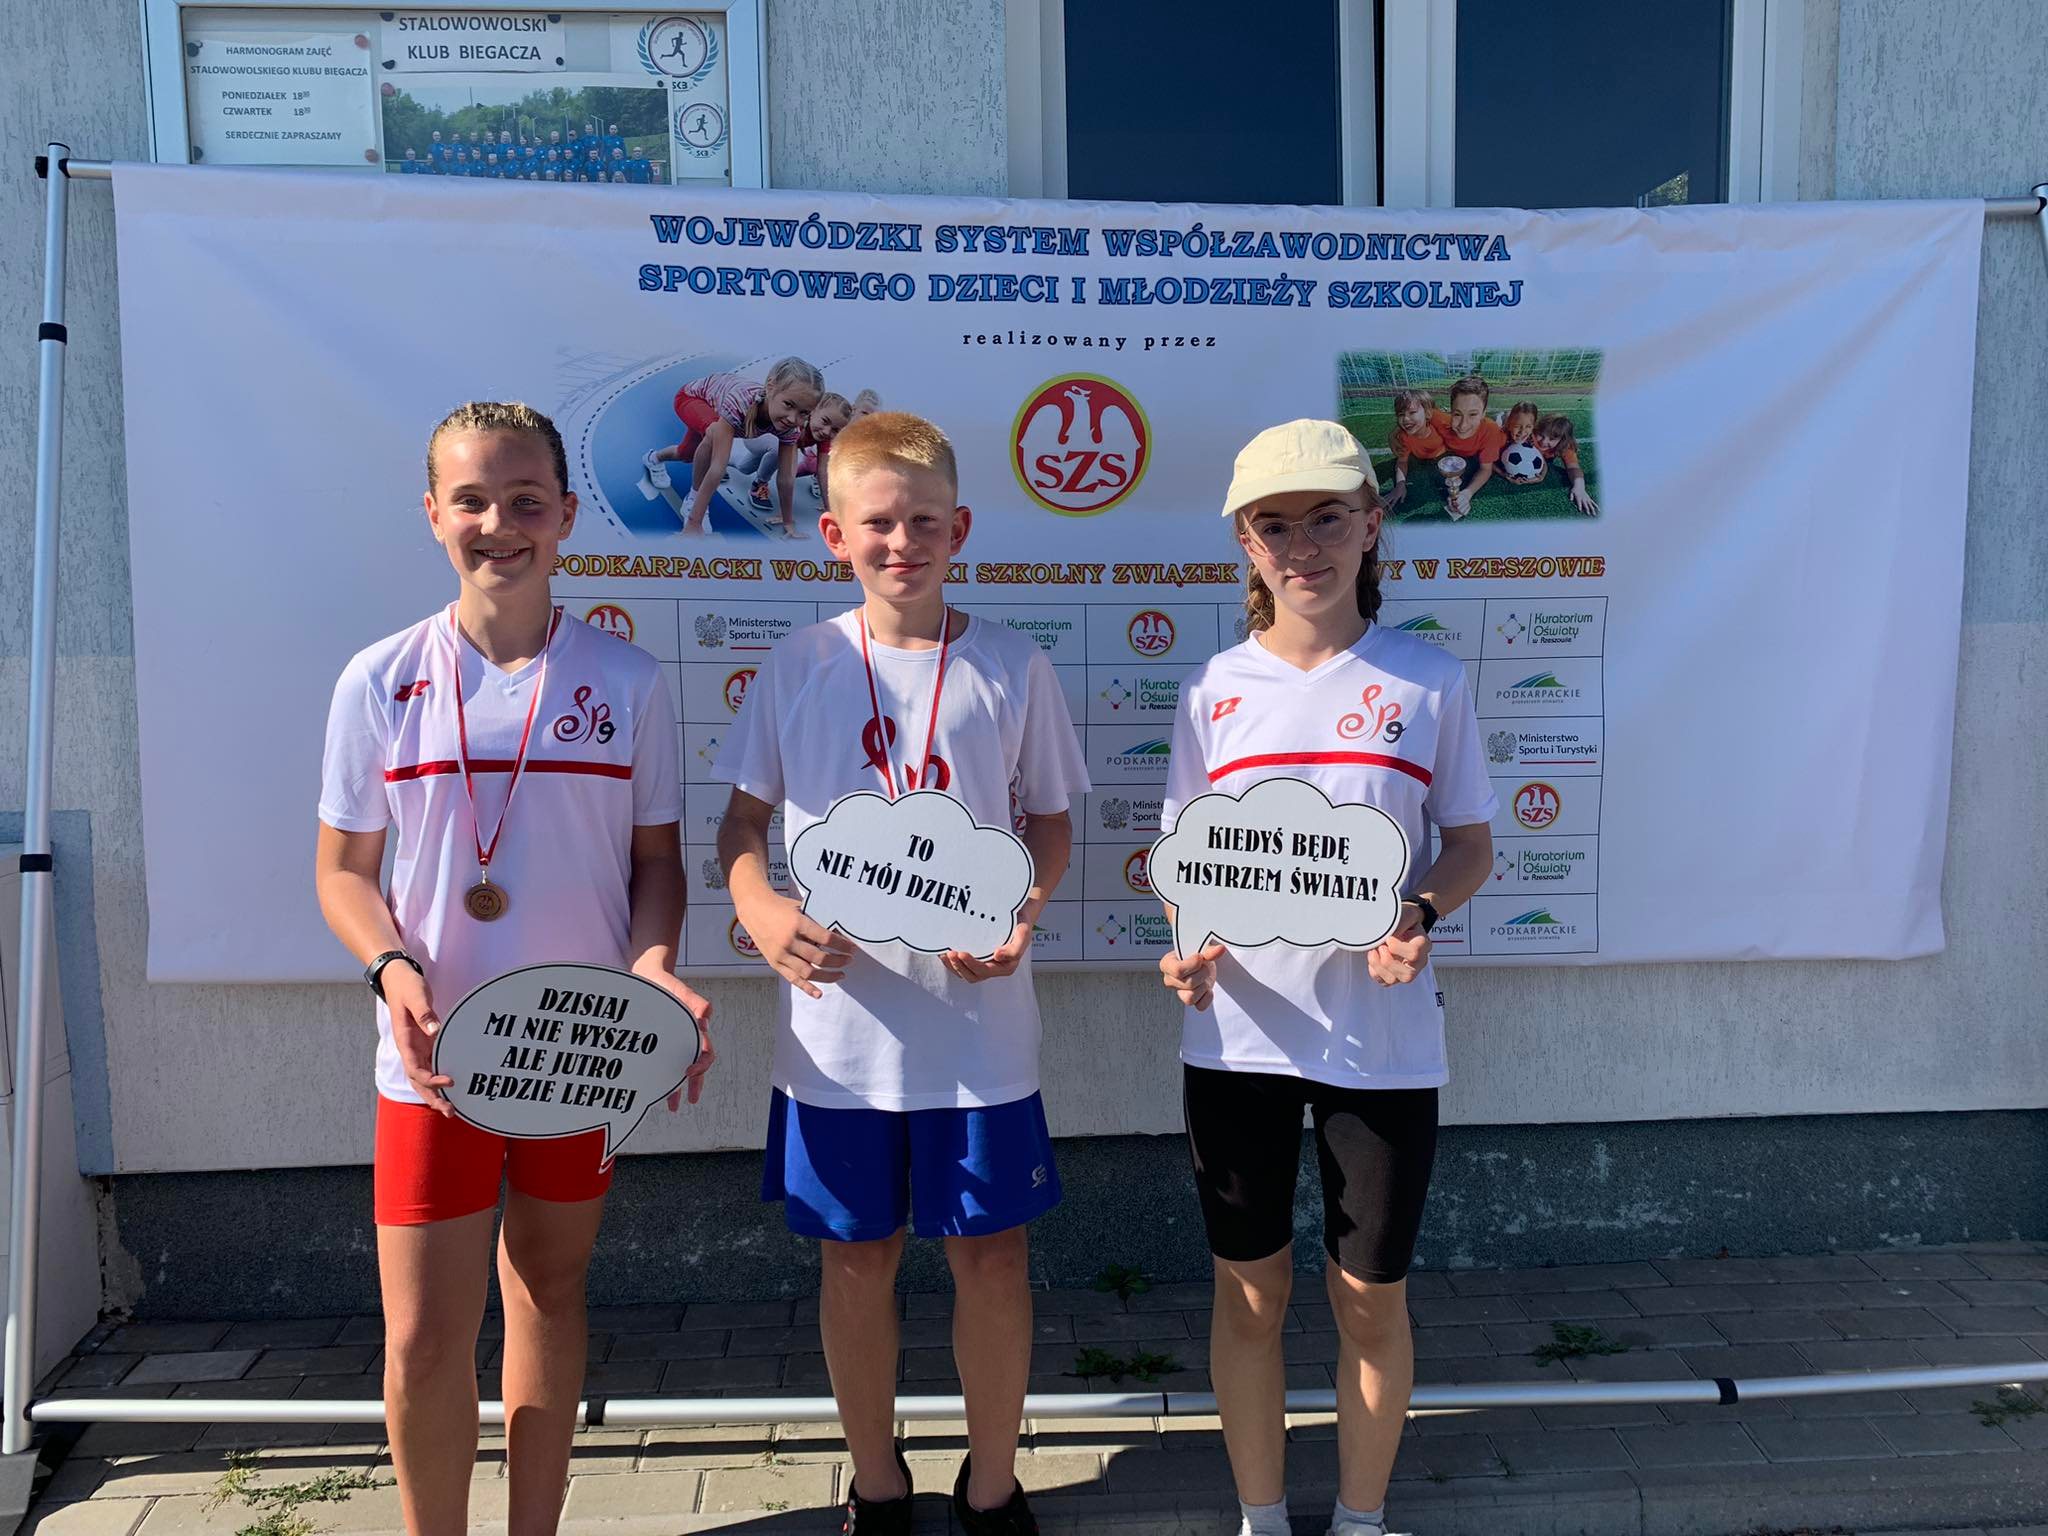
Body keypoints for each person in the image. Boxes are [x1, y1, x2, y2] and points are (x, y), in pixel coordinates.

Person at [314, 401, 715, 1536]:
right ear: (432, 513)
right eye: (473, 501)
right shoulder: (379, 679)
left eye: (525, 500)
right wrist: (392, 967)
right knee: (422, 1337)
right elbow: (342, 873)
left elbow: (656, 865)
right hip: (434, 1065)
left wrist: (653, 968)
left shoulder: (627, 681)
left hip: (575, 1051)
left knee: (548, 1292)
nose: (500, 524)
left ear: (567, 515)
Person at [716, 412, 1090, 1535]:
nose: (901, 542)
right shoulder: (798, 666)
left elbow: (1051, 824)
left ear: (958, 529)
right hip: (838, 1037)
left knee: (993, 1260)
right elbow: (740, 826)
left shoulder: (1011, 665)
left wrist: (1023, 912)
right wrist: (760, 908)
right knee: (855, 1262)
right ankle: (877, 1483)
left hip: (976, 1031)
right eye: (877, 522)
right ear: (834, 533)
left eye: (925, 521)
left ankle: (992, 1485)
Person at [1157, 420, 1495, 1536]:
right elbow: (1187, 858)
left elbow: (1469, 844)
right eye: (1274, 525)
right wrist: (1188, 943)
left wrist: (1418, 913)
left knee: (1368, 1302)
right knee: (1250, 1297)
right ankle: (1261, 1519)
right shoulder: (1213, 690)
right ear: (1245, 545)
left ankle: (1359, 1520)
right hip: (1238, 1044)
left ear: (1371, 524)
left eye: (1326, 518)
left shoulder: (1427, 681)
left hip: (1380, 1044)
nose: (1302, 547)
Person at [643, 358, 824, 536]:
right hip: (692, 399)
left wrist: (788, 522)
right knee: (713, 433)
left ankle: (653, 458)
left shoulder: (791, 427)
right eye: (788, 404)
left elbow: (786, 479)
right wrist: (694, 523)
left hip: (715, 409)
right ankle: (693, 500)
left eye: (804, 413)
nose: (792, 418)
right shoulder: (740, 403)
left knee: (686, 453)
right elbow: (717, 467)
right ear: (770, 386)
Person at [733, 391, 853, 528]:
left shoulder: (825, 437)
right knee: (777, 451)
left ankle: (726, 463)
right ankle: (759, 485)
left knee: (745, 468)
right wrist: (785, 516)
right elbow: (787, 476)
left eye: (835, 430)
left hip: (769, 446)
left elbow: (823, 472)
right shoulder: (797, 426)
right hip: (756, 436)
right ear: (813, 411)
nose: (827, 431)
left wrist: (829, 510)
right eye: (825, 421)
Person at [1436, 376, 1505, 519]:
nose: (1463, 425)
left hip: (1497, 434)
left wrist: (1467, 493)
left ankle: (1500, 417)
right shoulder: (1441, 421)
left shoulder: (1491, 432)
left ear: (1483, 413)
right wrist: (1395, 435)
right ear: (1450, 411)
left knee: (1501, 427)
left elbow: (1486, 469)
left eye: (1473, 414)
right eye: (1457, 414)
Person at [1380, 389, 1449, 515]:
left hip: (1444, 459)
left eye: (1412, 412)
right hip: (1420, 460)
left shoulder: (1440, 426)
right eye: (1401, 414)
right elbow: (1402, 462)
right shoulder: (1404, 437)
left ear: (1428, 413)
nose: (1406, 419)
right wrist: (1400, 485)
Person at [1534, 412, 1599, 513]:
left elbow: (1573, 468)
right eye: (1541, 435)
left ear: (1562, 440)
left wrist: (1579, 487)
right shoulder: (1529, 435)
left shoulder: (1565, 446)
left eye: (1552, 439)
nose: (1544, 441)